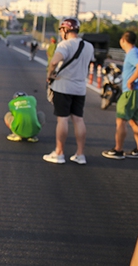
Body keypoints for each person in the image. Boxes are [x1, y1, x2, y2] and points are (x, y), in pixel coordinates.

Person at [44, 17, 94, 165]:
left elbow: (54, 61)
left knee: (63, 119)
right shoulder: (89, 46)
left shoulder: (64, 45)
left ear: (65, 30)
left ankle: (59, 153)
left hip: (63, 86)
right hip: (80, 88)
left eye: (61, 30)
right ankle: (80, 154)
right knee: (78, 119)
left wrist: (50, 74)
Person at [101, 31, 138, 160]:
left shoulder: (132, 54)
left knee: (121, 120)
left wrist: (130, 81)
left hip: (130, 91)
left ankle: (118, 150)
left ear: (123, 40)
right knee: (133, 121)